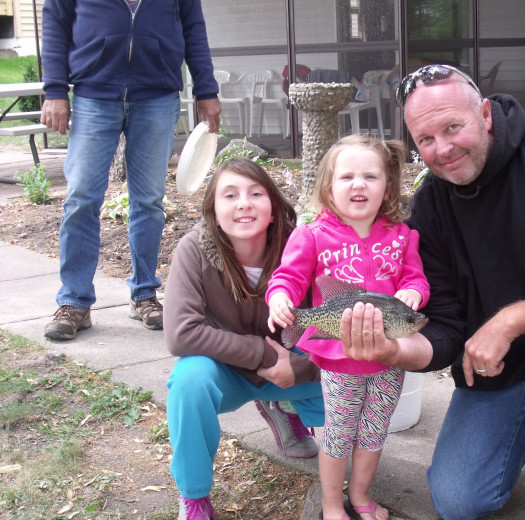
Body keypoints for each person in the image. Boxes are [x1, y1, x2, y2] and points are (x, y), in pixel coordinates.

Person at [339, 65, 525, 520]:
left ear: (484, 113)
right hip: (503, 364)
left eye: (452, 127)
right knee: (458, 501)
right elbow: (445, 323)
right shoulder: (430, 207)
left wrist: (508, 321)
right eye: (425, 140)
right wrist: (396, 350)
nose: (442, 150)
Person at [267, 135, 430, 520]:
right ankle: (329, 504)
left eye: (370, 176)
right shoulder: (312, 235)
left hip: (389, 359)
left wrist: (412, 292)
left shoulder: (401, 236)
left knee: (374, 432)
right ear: (329, 186)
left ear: (387, 187)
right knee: (338, 435)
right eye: (347, 177)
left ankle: (359, 497)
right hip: (340, 360)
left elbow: (417, 279)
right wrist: (280, 297)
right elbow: (287, 276)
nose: (359, 184)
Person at [40, 0, 222, 340]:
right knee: (80, 198)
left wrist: (206, 89)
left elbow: (194, 29)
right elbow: (55, 23)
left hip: (157, 96)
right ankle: (74, 301)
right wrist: (54, 90)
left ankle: (144, 294)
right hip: (93, 95)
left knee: (149, 201)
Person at [163, 158, 325, 520]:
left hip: (292, 367)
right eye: (230, 195)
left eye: (256, 193)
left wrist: (298, 369)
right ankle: (194, 496)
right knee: (189, 381)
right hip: (227, 372)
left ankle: (286, 407)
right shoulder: (193, 251)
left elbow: (329, 328)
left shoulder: (301, 247)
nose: (243, 203)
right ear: (213, 212)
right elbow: (180, 333)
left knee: (348, 384)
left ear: (272, 208)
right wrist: (264, 358)